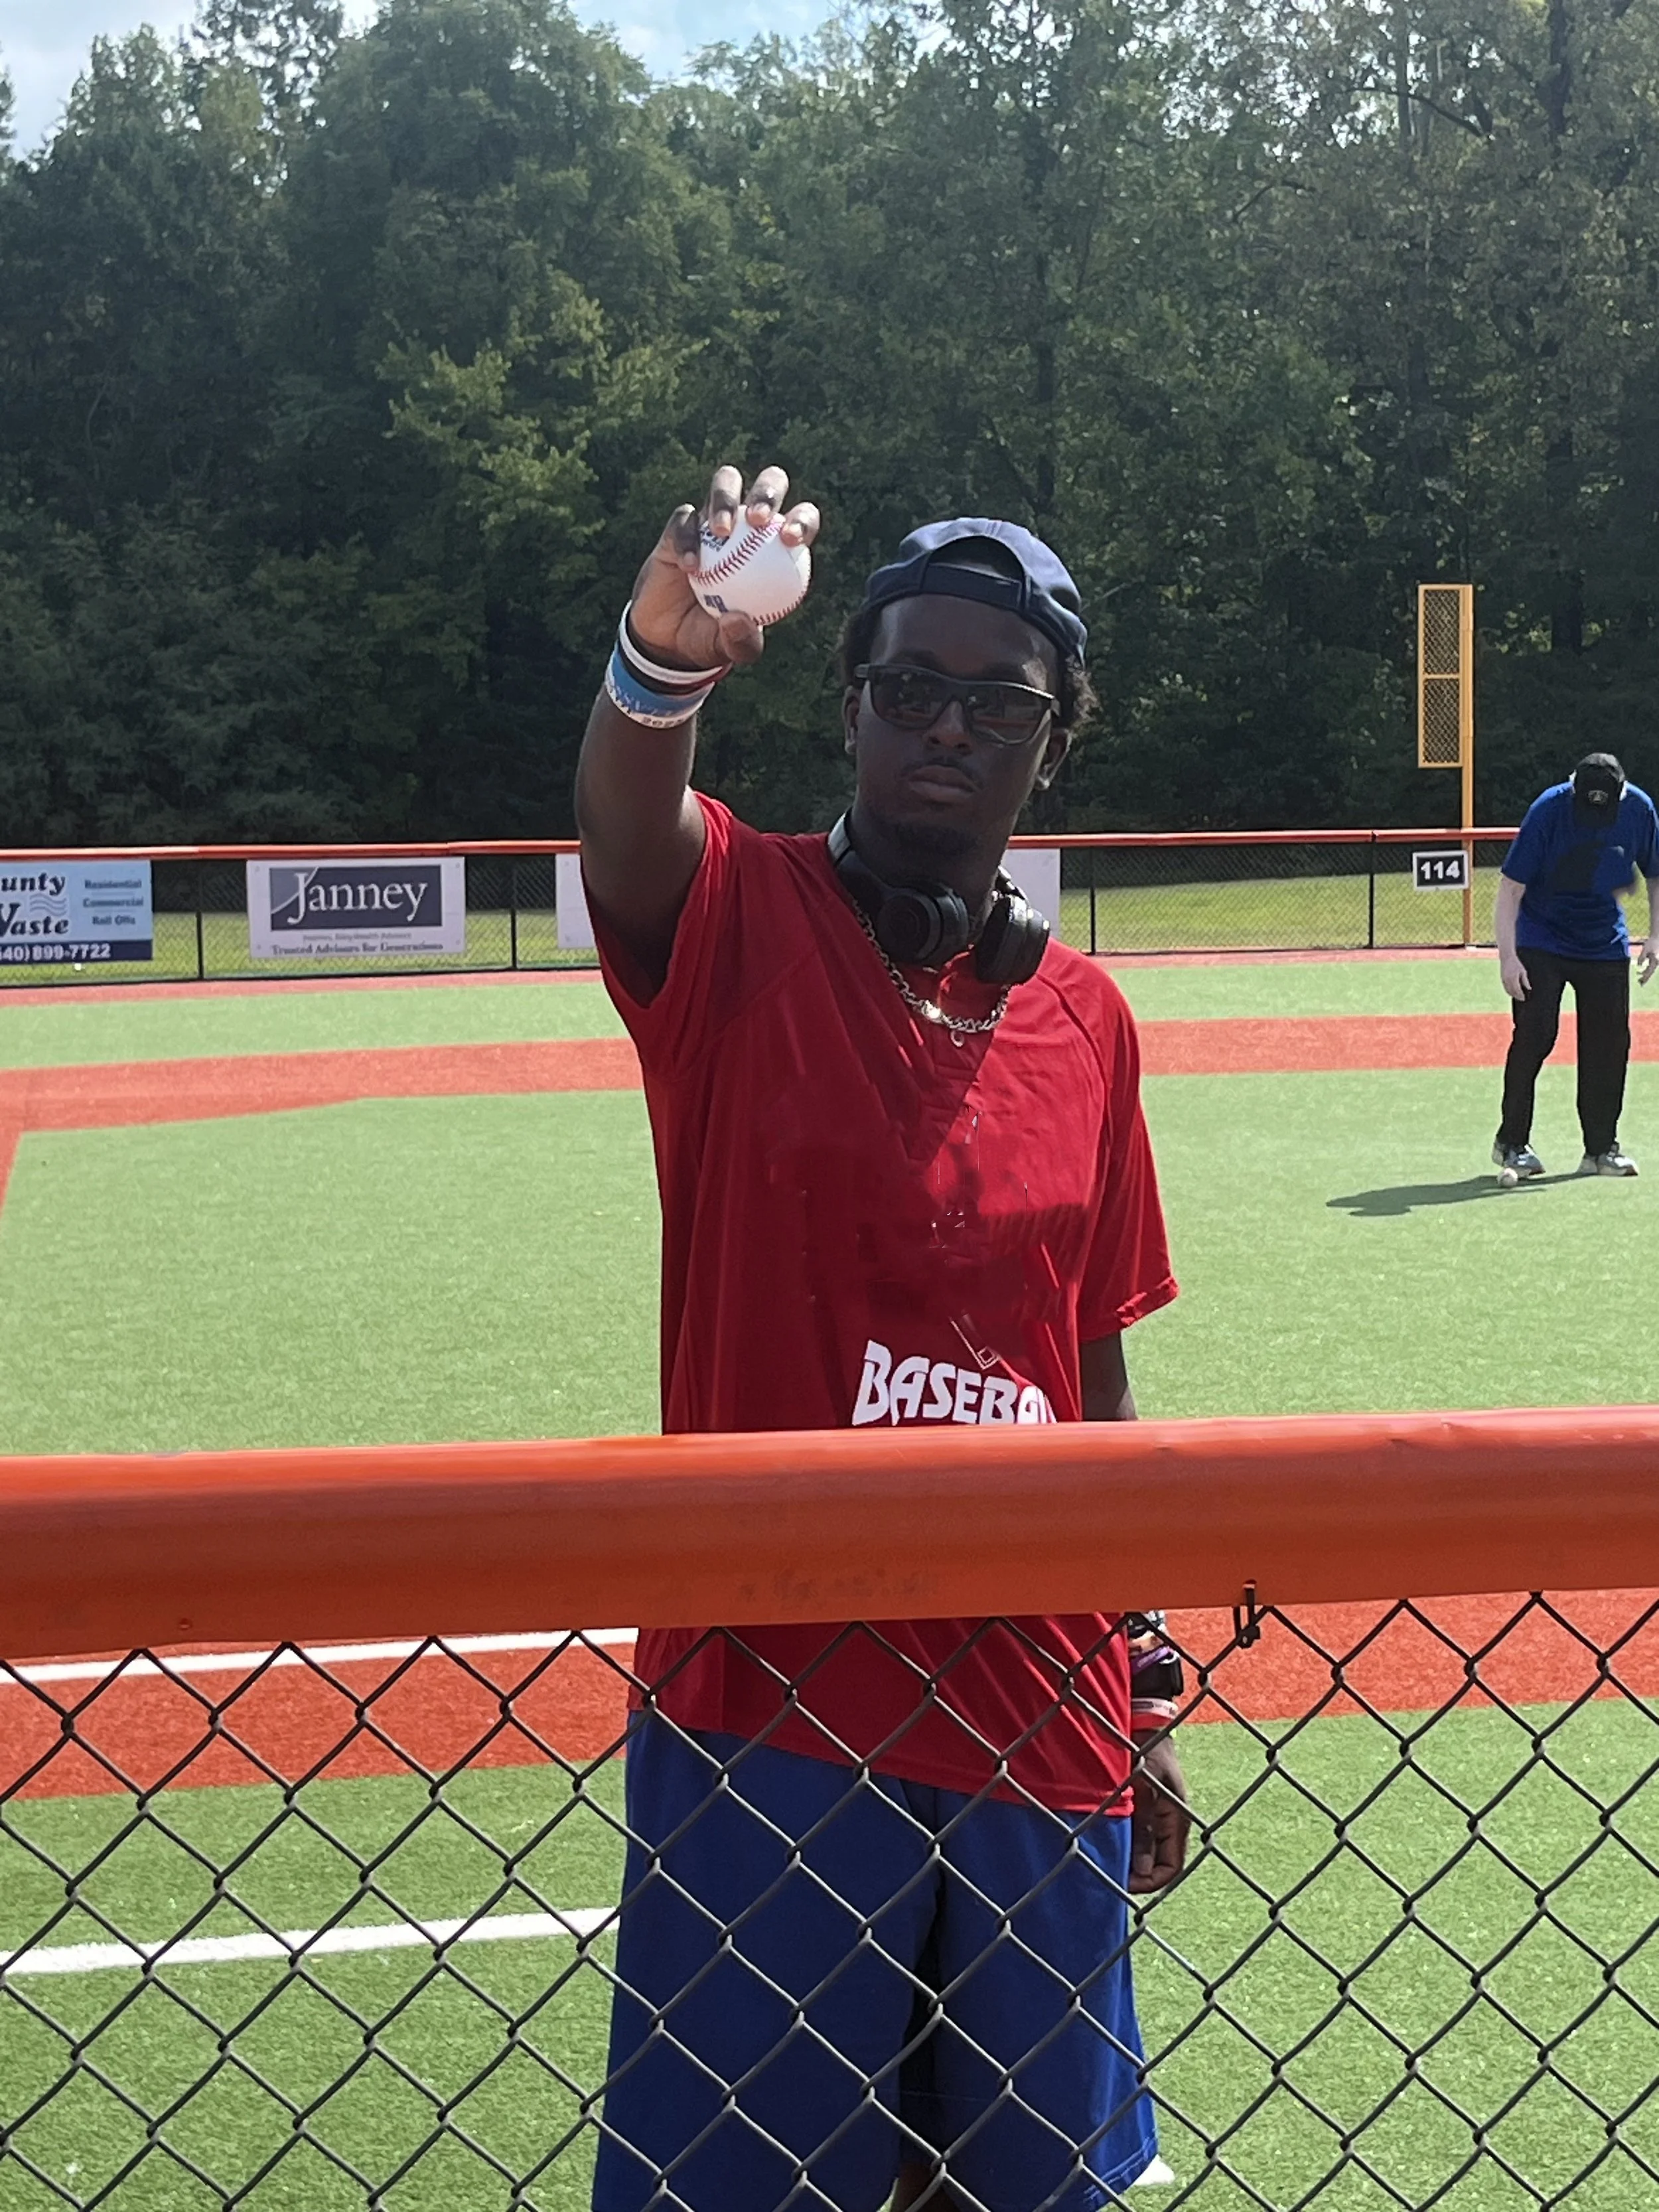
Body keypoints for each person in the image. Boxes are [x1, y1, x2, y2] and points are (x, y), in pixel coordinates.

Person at [577, 463, 1189, 2212]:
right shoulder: (737, 924)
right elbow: (629, 825)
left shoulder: (1088, 1018)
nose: (944, 728)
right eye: (908, 685)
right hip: (772, 1716)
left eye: (994, 701)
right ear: (846, 704)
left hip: (1039, 1724)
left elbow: (1098, 1369)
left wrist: (1143, 1678)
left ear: (1050, 742)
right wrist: (658, 666)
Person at [1493, 752, 1659, 1185]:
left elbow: (1655, 875)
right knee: (1536, 1031)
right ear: (1574, 790)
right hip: (1541, 937)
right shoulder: (1549, 810)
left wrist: (1655, 935)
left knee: (1609, 1043)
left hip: (1603, 942)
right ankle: (1513, 1143)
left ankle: (1601, 1148)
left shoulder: (1639, 809)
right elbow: (1511, 889)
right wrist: (1508, 958)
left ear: (1621, 795)